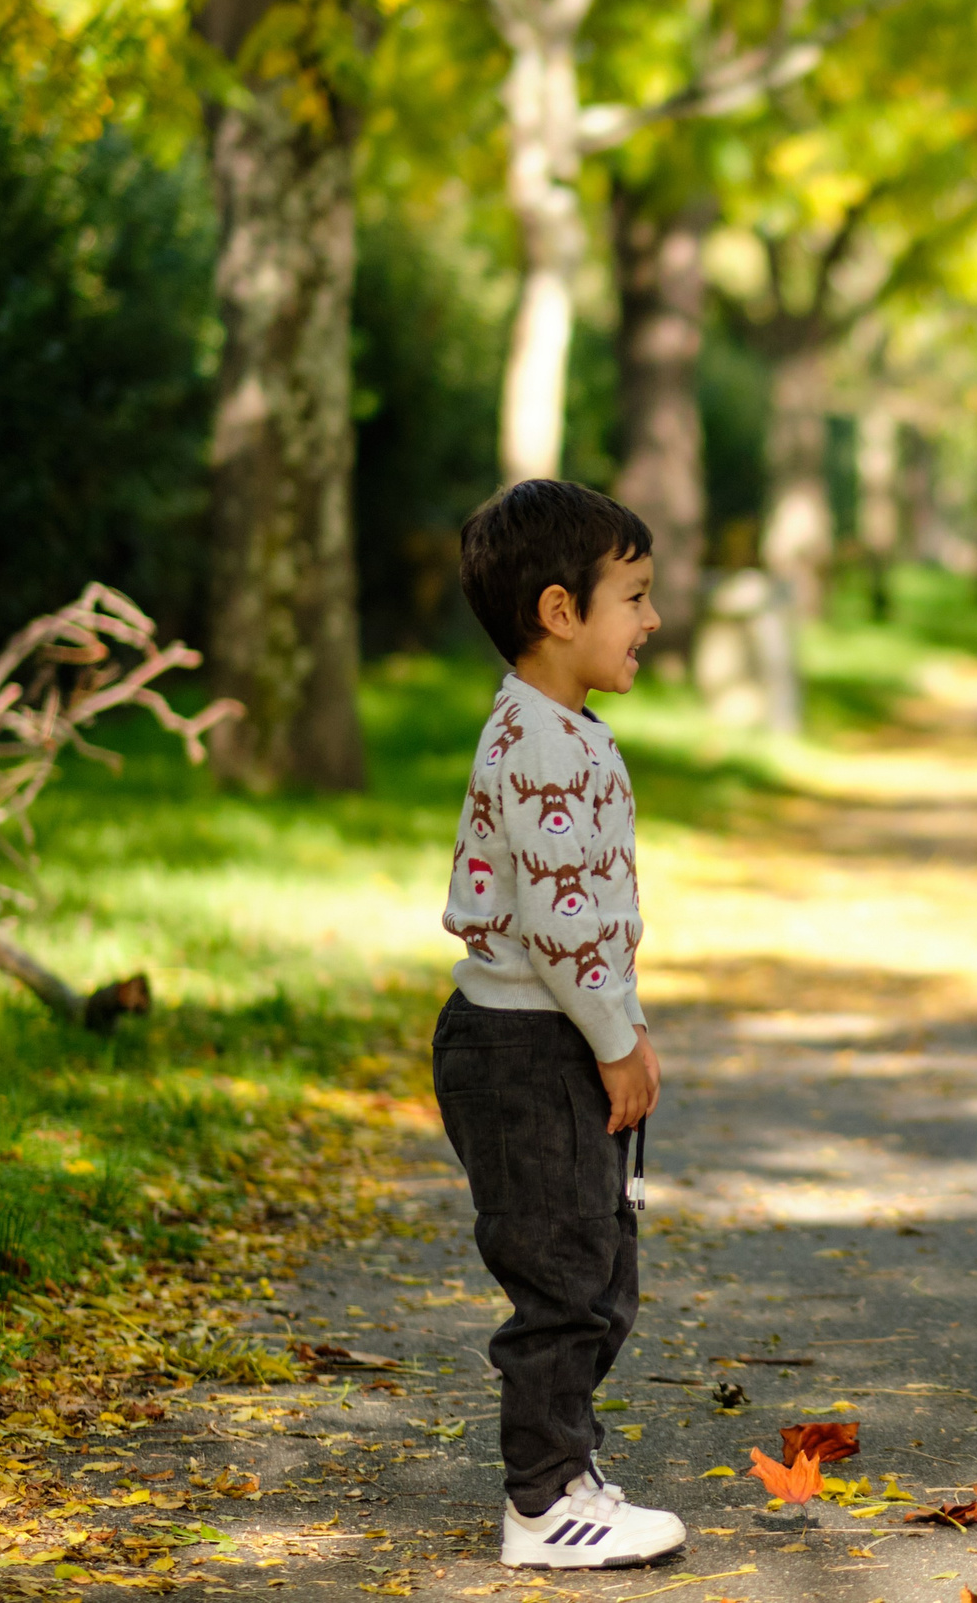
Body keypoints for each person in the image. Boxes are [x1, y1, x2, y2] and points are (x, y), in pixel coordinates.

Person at [437, 480, 686, 1570]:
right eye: (633, 595)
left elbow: (582, 910)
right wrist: (615, 1037)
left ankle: (569, 1470)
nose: (652, 618)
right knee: (561, 1273)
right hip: (525, 1048)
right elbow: (559, 919)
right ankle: (541, 1505)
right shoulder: (535, 741)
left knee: (596, 1262)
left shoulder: (561, 727)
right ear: (558, 612)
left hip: (552, 1036)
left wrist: (620, 1026)